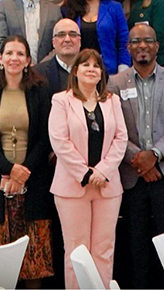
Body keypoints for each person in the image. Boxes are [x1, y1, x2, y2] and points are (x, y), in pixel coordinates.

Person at [109, 23, 164, 289]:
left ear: (157, 46)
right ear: (128, 47)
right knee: (137, 246)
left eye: (148, 40)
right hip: (133, 177)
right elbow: (114, 128)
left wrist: (154, 156)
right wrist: (140, 161)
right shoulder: (114, 83)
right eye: (136, 41)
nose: (142, 45)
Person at [0, 36, 56, 287]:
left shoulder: (40, 91)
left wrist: (24, 171)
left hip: (34, 183)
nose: (14, 58)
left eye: (20, 53)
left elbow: (46, 137)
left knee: (33, 262)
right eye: (8, 53)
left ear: (28, 60)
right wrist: (9, 169)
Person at [50, 49, 129, 289]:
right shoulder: (61, 100)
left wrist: (103, 171)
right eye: (85, 65)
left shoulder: (112, 100)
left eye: (96, 65)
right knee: (77, 252)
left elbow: (121, 138)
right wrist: (85, 173)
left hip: (107, 186)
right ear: (75, 71)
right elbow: (59, 141)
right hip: (73, 187)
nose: (91, 69)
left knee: (104, 251)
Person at [66, 0, 130, 74]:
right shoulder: (70, 11)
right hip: (80, 72)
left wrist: (123, 71)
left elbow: (124, 42)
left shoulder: (114, 8)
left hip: (111, 73)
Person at [39, 19, 82, 95]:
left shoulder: (93, 71)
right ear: (53, 42)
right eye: (61, 35)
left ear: (80, 41)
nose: (67, 39)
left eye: (72, 34)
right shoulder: (38, 74)